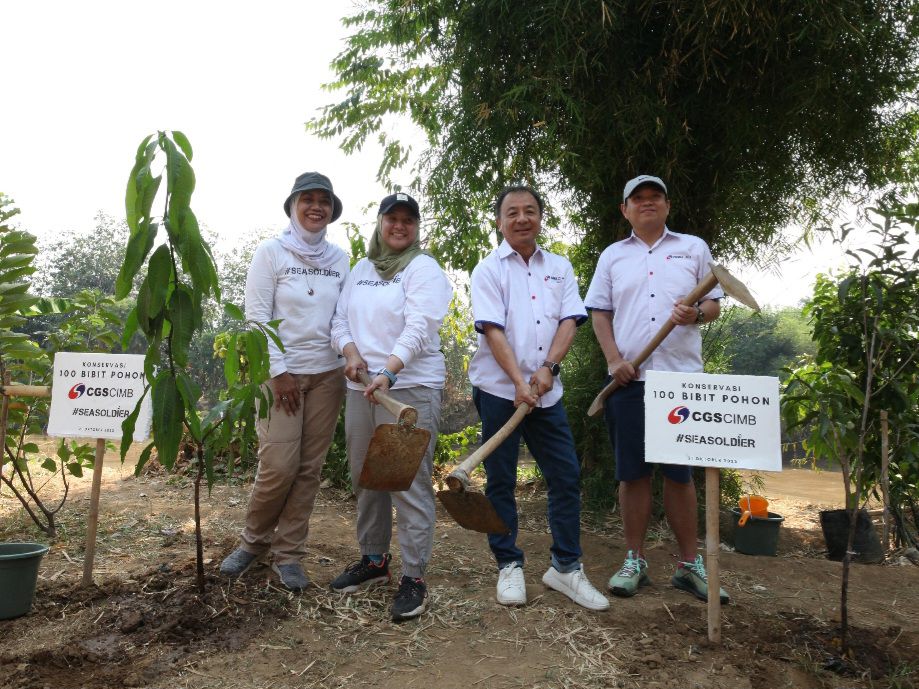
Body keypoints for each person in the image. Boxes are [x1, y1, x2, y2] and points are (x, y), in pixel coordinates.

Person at [584, 174, 729, 603]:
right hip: (629, 380)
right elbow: (600, 314)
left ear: (667, 205)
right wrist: (614, 362)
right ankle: (635, 560)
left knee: (680, 475)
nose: (647, 203)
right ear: (625, 209)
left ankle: (689, 564)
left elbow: (714, 303)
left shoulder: (693, 248)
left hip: (681, 381)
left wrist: (697, 315)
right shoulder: (612, 256)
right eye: (638, 199)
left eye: (655, 197)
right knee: (632, 473)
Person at [468, 185, 609, 611]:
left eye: (530, 211)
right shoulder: (487, 270)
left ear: (540, 217)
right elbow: (492, 329)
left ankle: (565, 567)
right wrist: (517, 381)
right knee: (501, 481)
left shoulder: (560, 266)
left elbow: (570, 320)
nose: (522, 218)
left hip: (548, 395)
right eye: (512, 212)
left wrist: (548, 368)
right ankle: (508, 564)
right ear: (499, 221)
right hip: (499, 393)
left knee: (565, 476)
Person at [220, 172, 349, 591]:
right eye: (307, 199)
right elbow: (256, 318)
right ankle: (252, 542)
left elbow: (342, 319)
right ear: (293, 206)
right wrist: (278, 372)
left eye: (323, 201)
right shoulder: (271, 253)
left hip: (327, 375)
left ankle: (289, 554)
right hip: (279, 378)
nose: (316, 207)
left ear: (331, 209)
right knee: (278, 465)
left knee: (309, 469)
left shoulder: (340, 260)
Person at [329, 192, 452, 622]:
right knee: (367, 476)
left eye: (408, 220)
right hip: (362, 386)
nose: (400, 226)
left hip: (408, 389)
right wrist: (349, 353)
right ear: (380, 223)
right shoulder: (361, 269)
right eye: (392, 219)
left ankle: (414, 576)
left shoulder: (424, 268)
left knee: (407, 482)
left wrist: (391, 371)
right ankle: (374, 559)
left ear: (416, 227)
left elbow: (421, 326)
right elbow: (339, 319)